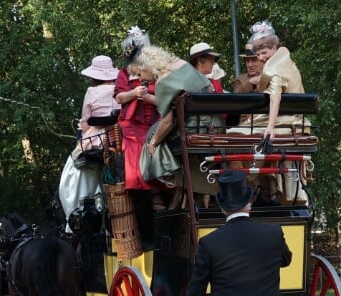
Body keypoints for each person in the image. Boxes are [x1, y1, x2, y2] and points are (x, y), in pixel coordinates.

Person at [229, 20, 309, 205]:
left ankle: (247, 188)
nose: (261, 58)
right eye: (257, 55)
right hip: (295, 119)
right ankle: (264, 187)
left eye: (263, 53)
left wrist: (270, 127)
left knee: (231, 136)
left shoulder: (275, 68)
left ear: (275, 47)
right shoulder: (286, 62)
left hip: (285, 122)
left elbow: (275, 97)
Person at [135, 45, 225, 209]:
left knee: (153, 134)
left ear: (147, 66)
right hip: (216, 125)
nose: (140, 77)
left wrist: (153, 142)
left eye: (139, 72)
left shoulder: (162, 82)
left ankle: (169, 174)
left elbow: (167, 121)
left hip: (195, 129)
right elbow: (210, 88)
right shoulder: (182, 64)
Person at [59, 54, 121, 228]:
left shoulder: (91, 92)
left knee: (70, 170)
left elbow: (86, 121)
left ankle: (74, 213)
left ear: (94, 76)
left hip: (95, 139)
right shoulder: (120, 91)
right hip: (116, 136)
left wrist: (82, 133)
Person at [114, 26, 159, 239]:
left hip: (156, 123)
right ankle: (147, 192)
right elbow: (119, 98)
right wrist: (134, 92)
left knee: (160, 141)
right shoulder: (124, 74)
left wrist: (150, 94)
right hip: (133, 126)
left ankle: (160, 190)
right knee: (135, 148)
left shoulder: (156, 71)